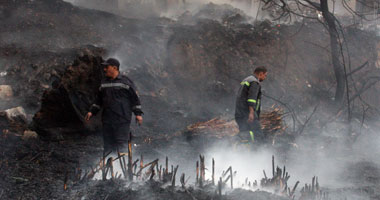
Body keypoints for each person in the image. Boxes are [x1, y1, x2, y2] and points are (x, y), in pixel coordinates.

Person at [85, 58, 143, 154]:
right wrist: (92, 111)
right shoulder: (104, 83)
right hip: (107, 119)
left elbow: (135, 98)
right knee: (108, 145)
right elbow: (99, 100)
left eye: (107, 67)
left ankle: (123, 166)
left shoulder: (125, 82)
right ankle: (108, 166)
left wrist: (138, 114)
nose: (104, 69)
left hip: (122, 119)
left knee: (122, 143)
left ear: (114, 68)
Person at [235, 66, 267, 144]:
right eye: (265, 75)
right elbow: (251, 99)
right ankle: (238, 138)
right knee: (258, 133)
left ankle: (244, 151)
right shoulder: (254, 82)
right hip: (247, 113)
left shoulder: (246, 80)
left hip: (239, 113)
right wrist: (251, 113)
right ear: (261, 73)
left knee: (245, 131)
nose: (265, 77)